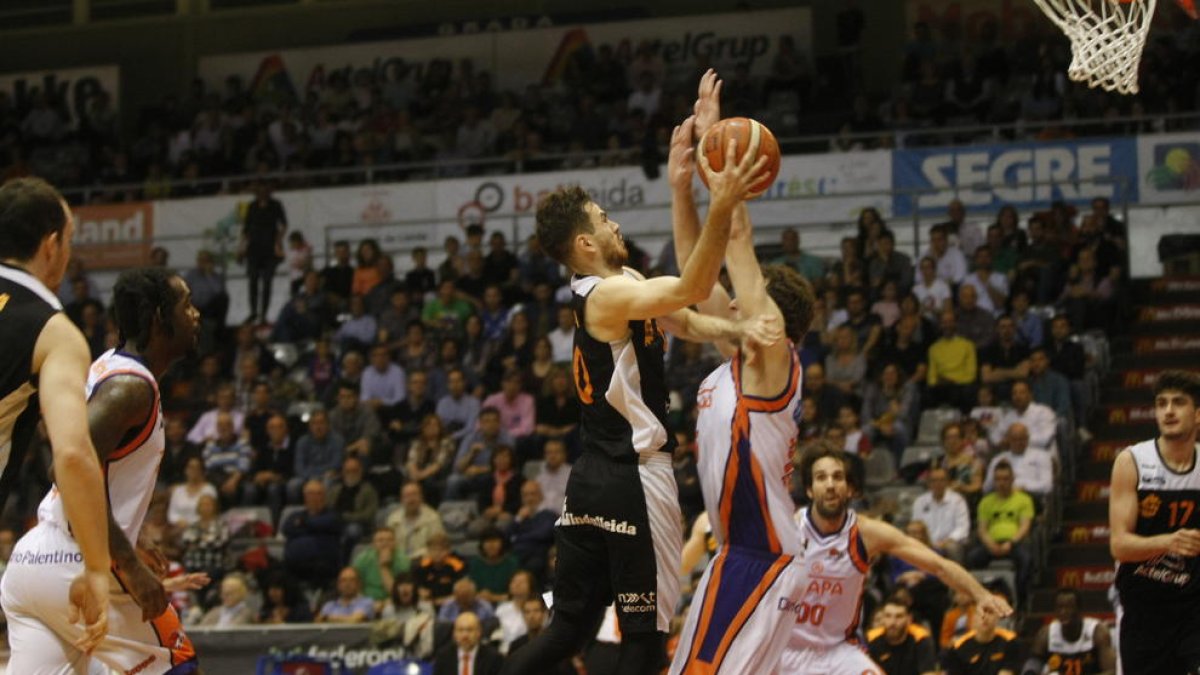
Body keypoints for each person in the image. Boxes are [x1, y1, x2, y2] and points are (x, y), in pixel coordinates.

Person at [501, 84, 771, 675]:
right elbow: (691, 288)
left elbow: (685, 315)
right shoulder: (611, 294)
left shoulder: (617, 287)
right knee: (646, 639)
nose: (615, 221)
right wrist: (720, 200)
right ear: (584, 243)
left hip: (590, 480)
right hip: (634, 479)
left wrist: (735, 329)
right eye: (604, 219)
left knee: (566, 630)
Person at [668, 78, 813, 671]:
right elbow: (693, 283)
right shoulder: (735, 363)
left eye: (743, 298)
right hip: (739, 553)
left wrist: (720, 155)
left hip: (764, 553)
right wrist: (682, 188)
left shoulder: (772, 352)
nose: (727, 302)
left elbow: (738, 242)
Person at [4, 264, 203, 671]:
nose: (195, 313)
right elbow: (67, 467)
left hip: (32, 564)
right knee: (179, 663)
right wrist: (127, 563)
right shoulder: (130, 388)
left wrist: (129, 540)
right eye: (186, 304)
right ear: (159, 318)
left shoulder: (107, 366)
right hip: (76, 565)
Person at [780, 447, 1011, 673]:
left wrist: (980, 594)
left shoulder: (866, 533)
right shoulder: (786, 530)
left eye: (837, 477)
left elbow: (939, 566)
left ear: (849, 489)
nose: (830, 485)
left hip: (837, 652)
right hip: (786, 650)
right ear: (810, 490)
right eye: (821, 478)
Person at [1110, 370, 1200, 674]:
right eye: (1161, 403)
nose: (1168, 410)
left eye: (1178, 402)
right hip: (1144, 610)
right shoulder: (1132, 461)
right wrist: (1169, 542)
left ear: (1198, 414)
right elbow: (1119, 546)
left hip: (1193, 609)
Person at [965, 461, 1034, 604]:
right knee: (971, 559)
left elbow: (1025, 526)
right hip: (991, 543)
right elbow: (982, 529)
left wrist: (1011, 542)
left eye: (1005, 479)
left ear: (1012, 479)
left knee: (1026, 560)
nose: (1001, 483)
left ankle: (1021, 601)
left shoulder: (1024, 500)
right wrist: (990, 544)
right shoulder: (986, 502)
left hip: (1015, 543)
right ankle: (978, 598)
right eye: (998, 479)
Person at [1029, 589, 1116, 675]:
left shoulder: (1097, 632)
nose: (1063, 612)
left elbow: (1112, 671)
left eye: (1069, 607)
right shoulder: (1045, 634)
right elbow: (1033, 665)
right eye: (1059, 607)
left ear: (1079, 609)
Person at [240, 181, 287, 321]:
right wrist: (242, 248)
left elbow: (283, 225)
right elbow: (246, 230)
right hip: (253, 249)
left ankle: (264, 314)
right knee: (253, 280)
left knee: (267, 282)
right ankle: (253, 311)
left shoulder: (275, 205)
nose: (262, 193)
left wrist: (278, 243)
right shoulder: (252, 206)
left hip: (270, 249)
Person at [941, 602, 1020, 675]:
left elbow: (1007, 672)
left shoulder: (1009, 640)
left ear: (997, 618)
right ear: (973, 618)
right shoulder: (958, 647)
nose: (985, 617)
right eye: (980, 613)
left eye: (990, 613)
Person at [911, 467, 971, 562]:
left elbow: (962, 528)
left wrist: (945, 542)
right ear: (928, 483)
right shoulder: (920, 502)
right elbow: (915, 527)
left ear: (947, 482)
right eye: (934, 480)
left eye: (942, 480)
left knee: (952, 548)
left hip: (949, 544)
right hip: (925, 543)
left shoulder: (958, 500)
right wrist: (927, 543)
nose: (938, 484)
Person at [866, 596, 938, 675]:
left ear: (909, 619)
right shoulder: (872, 639)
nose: (892, 622)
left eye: (899, 616)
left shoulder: (920, 638)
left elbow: (929, 672)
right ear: (882, 618)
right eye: (888, 616)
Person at [433, 611, 504, 675]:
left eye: (470, 630)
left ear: (479, 632)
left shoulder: (494, 658)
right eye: (460, 630)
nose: (465, 635)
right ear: (454, 634)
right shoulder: (443, 657)